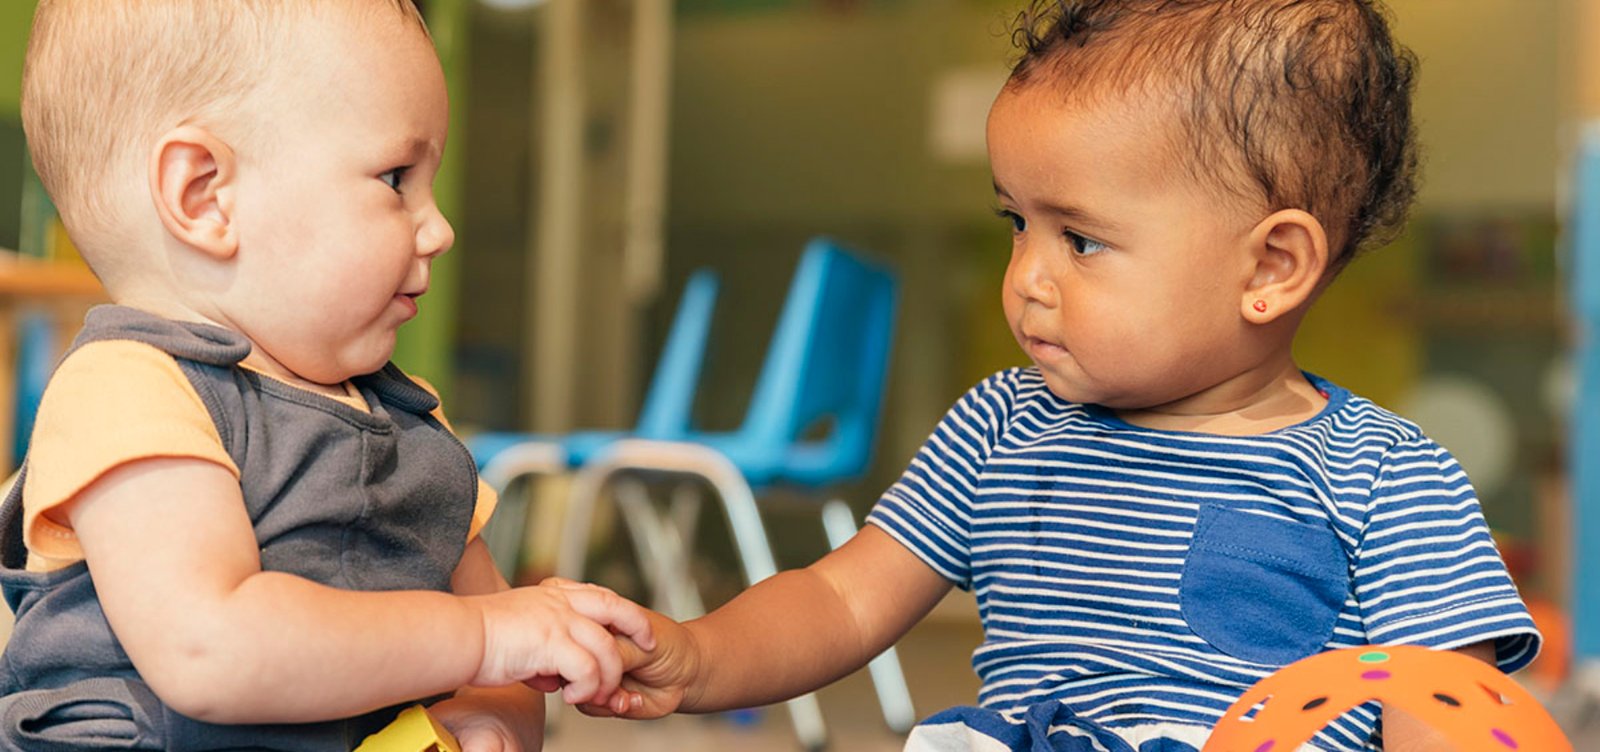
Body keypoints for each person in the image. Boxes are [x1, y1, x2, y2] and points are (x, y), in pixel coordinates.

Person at [585, 0, 1541, 749]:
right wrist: (703, 654)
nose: (1026, 280)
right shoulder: (1002, 424)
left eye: (1081, 239)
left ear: (1269, 269)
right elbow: (841, 598)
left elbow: (1441, 703)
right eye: (1017, 224)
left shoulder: (1386, 474)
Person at [0, 2, 651, 750]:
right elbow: (211, 650)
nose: (438, 229)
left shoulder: (414, 426)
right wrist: (479, 636)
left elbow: (497, 652)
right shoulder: (129, 391)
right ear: (204, 195)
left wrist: (491, 713)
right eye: (396, 177)